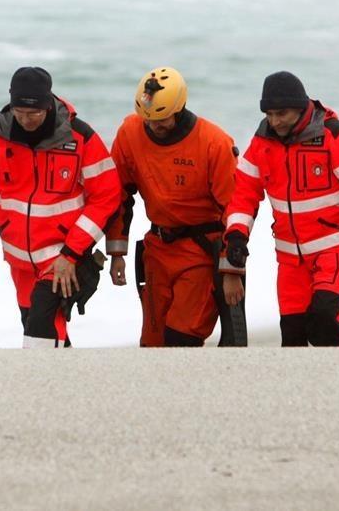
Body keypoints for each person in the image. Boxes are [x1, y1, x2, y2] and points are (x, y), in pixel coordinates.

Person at [219, 71, 339, 346]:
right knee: (293, 334)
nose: (275, 121)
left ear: (300, 106)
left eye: (281, 113)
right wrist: (236, 235)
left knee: (325, 318)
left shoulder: (333, 135)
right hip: (290, 258)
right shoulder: (262, 143)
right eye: (270, 114)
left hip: (336, 248)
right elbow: (243, 194)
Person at [0, 67, 121, 348]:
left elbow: (107, 195)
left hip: (64, 257)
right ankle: (68, 387)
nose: (26, 120)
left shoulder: (80, 137)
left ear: (48, 104)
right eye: (19, 112)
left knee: (39, 332)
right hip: (20, 261)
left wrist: (71, 253)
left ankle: (39, 388)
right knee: (38, 329)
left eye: (33, 114)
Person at [103, 67, 243, 346]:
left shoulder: (214, 143)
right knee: (152, 343)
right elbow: (118, 195)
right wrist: (117, 252)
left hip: (202, 252)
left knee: (182, 338)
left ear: (179, 108)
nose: (154, 126)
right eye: (148, 119)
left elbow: (235, 211)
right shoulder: (130, 132)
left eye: (162, 120)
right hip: (158, 250)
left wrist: (232, 271)